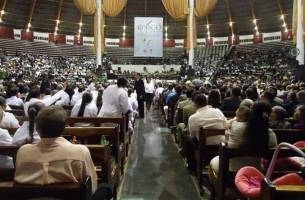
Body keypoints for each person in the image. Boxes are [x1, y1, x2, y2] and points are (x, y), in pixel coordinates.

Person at [14, 106, 98, 193]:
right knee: (105, 189)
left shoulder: (23, 152)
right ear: (64, 128)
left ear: (37, 129)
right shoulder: (81, 152)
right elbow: (91, 186)